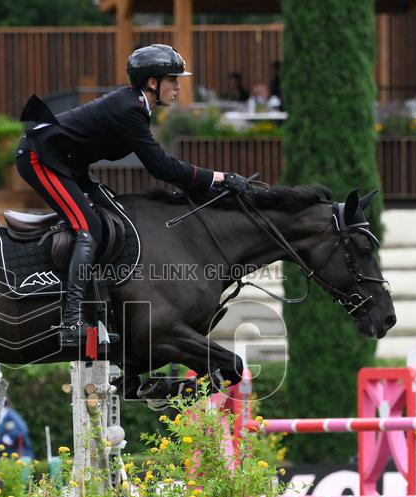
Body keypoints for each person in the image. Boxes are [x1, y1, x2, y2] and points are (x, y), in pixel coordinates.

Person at [15, 43, 250, 344]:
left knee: (116, 218)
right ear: (152, 83)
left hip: (68, 165)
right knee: (88, 227)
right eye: (172, 79)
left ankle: (102, 311)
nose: (178, 86)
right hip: (39, 159)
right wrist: (221, 177)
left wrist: (215, 181)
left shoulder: (138, 105)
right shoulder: (130, 109)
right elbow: (161, 166)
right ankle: (71, 321)